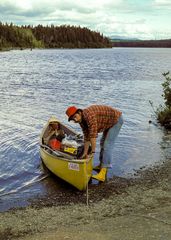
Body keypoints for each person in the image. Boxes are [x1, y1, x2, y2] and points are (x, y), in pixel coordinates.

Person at [65, 105, 123, 182]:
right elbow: (87, 136)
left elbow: (93, 135)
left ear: (79, 112)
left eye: (75, 116)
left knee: (107, 145)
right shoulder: (81, 120)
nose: (75, 120)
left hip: (116, 120)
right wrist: (85, 153)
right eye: (72, 119)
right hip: (108, 121)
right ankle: (101, 165)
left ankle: (103, 173)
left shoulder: (89, 116)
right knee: (102, 142)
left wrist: (92, 152)